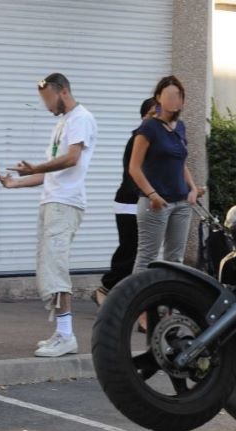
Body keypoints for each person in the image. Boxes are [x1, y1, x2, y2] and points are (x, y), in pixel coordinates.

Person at [0, 73, 97, 357]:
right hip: (53, 201)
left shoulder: (81, 118)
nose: (45, 106)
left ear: (62, 91)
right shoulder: (63, 122)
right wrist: (16, 182)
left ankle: (67, 336)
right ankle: (61, 333)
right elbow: (50, 175)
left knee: (56, 269)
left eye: (47, 99)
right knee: (48, 269)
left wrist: (35, 168)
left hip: (65, 204)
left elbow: (72, 158)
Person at [129, 75, 204, 276]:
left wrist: (193, 189)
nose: (174, 101)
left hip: (181, 203)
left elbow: (180, 163)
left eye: (178, 96)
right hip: (156, 203)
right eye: (169, 96)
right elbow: (134, 168)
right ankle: (139, 306)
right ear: (158, 98)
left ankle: (169, 306)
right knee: (147, 258)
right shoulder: (148, 127)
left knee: (175, 260)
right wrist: (152, 194)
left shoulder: (180, 127)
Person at [93, 96, 156, 307]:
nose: (156, 118)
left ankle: (124, 294)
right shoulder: (137, 139)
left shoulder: (157, 141)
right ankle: (106, 288)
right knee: (130, 249)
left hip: (145, 202)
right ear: (143, 117)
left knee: (140, 251)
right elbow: (132, 174)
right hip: (129, 202)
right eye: (151, 114)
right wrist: (145, 195)